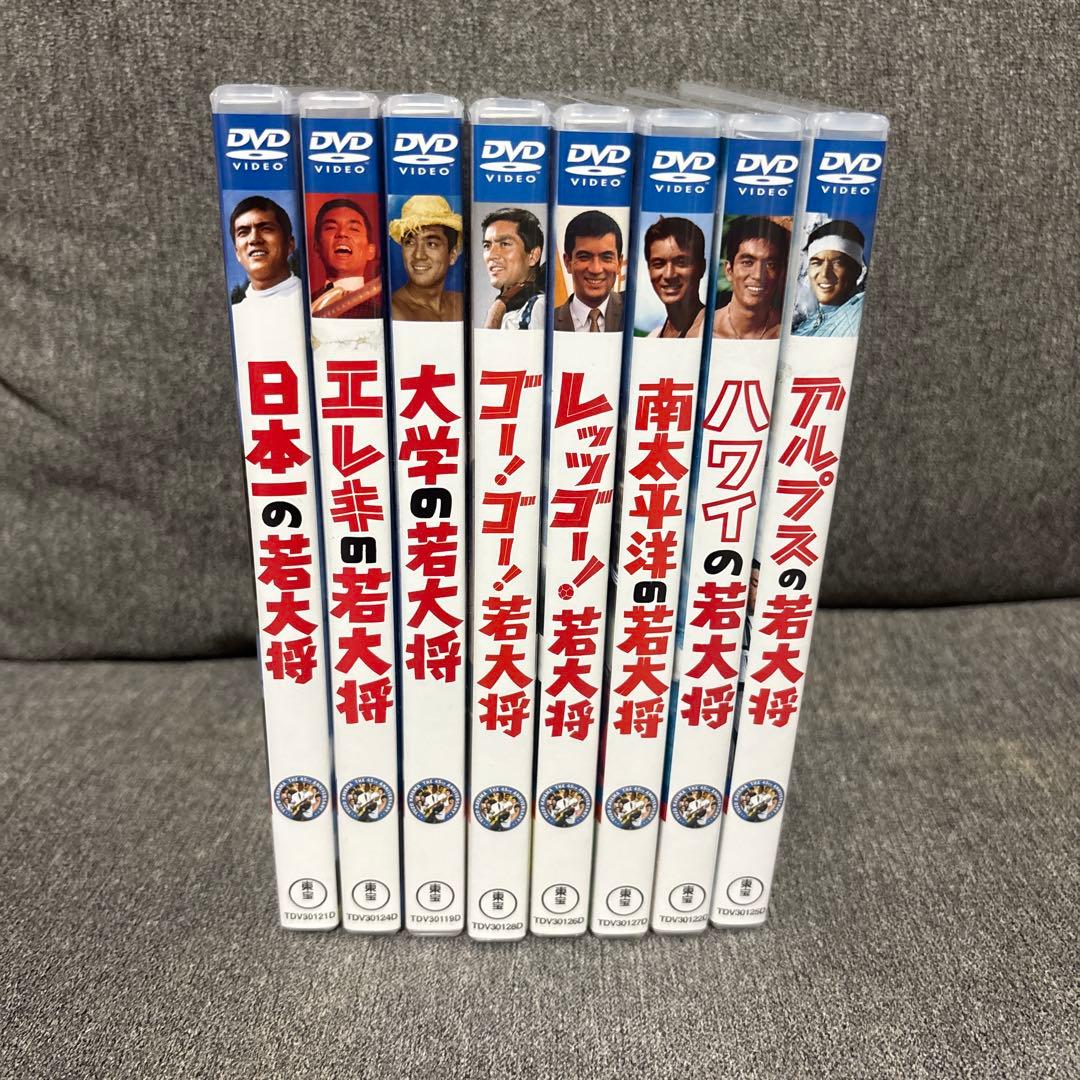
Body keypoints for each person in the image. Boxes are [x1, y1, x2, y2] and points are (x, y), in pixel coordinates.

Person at [228, 196, 304, 349]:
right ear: (237, 253)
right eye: (243, 232)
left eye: (266, 229)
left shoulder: (313, 305)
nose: (254, 239)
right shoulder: (233, 318)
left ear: (290, 244)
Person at [387, 194, 464, 322]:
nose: (418, 255)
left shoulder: (461, 304)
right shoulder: (394, 312)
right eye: (410, 242)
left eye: (431, 244)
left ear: (453, 254)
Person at [713, 216, 789, 340]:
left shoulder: (790, 333)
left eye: (770, 265)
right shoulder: (704, 330)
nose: (758, 275)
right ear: (729, 271)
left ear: (780, 273)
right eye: (747, 262)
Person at [793, 219, 867, 338]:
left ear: (858, 270)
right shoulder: (809, 323)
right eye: (817, 263)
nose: (824, 273)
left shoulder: (859, 310)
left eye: (837, 263)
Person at [553, 210, 624, 332]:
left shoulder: (634, 312)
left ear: (619, 263)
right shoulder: (547, 322)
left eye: (606, 257)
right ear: (568, 262)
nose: (596, 269)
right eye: (584, 257)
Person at [309, 198, 381, 318]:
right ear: (317, 247)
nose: (342, 233)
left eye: (354, 229)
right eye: (331, 227)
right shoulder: (301, 303)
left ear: (371, 251)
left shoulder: (382, 308)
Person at [479, 207, 545, 329]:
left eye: (505, 244)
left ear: (533, 256)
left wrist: (497, 308)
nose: (491, 255)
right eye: (487, 245)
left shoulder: (539, 307)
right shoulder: (513, 309)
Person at [643, 216, 707, 338]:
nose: (669, 274)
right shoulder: (652, 337)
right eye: (658, 264)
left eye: (681, 262)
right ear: (649, 269)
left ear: (701, 267)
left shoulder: (715, 332)